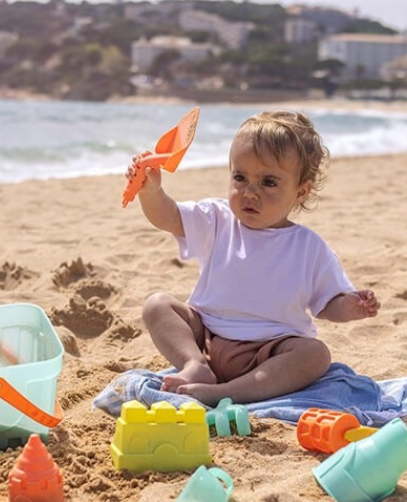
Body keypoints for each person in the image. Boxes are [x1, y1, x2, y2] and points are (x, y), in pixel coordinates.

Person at [127, 110, 380, 407]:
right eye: (240, 177)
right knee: (157, 305)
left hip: (268, 352)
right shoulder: (218, 219)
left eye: (268, 182)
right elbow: (168, 216)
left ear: (301, 191)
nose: (249, 193)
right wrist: (151, 191)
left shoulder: (309, 247)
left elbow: (327, 305)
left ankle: (228, 393)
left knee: (315, 355)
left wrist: (350, 306)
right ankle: (195, 366)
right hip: (206, 336)